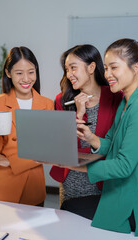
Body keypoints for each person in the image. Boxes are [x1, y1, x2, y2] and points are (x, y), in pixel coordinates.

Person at [75, 39, 138, 235]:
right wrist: (90, 137)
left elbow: (124, 165)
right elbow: (111, 143)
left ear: (135, 67)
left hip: (132, 200)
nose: (107, 75)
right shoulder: (125, 102)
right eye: (106, 69)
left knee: (71, 211)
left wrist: (76, 165)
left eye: (114, 68)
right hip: (118, 191)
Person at [50, 44, 123, 219]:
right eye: (66, 69)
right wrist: (80, 113)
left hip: (103, 184)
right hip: (70, 184)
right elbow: (63, 146)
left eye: (73, 68)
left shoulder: (115, 97)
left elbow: (115, 144)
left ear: (91, 67)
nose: (69, 74)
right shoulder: (63, 99)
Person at [0, 46, 54, 207]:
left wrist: (12, 162)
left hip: (32, 187)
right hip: (0, 186)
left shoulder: (47, 105)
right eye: (19, 73)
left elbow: (48, 150)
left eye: (31, 72)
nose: (26, 79)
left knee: (31, 233)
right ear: (8, 73)